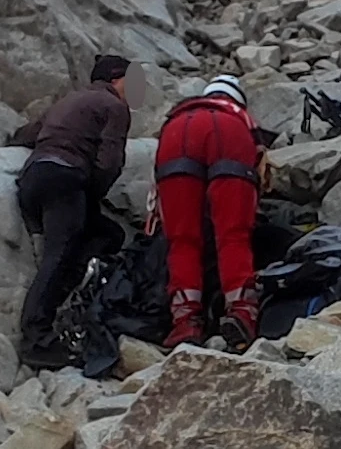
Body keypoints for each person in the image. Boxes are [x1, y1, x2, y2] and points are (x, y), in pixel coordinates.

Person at [14, 54, 133, 369]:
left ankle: (69, 290)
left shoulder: (70, 100)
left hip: (33, 178)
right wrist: (90, 193)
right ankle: (36, 340)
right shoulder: (115, 107)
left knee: (109, 234)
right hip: (65, 180)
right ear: (117, 79)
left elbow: (26, 134)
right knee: (60, 255)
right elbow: (109, 163)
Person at [154, 74, 266, 350]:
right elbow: (262, 166)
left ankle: (185, 321)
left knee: (182, 239)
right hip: (229, 133)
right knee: (233, 234)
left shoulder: (182, 111)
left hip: (177, 134)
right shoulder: (241, 116)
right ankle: (241, 311)